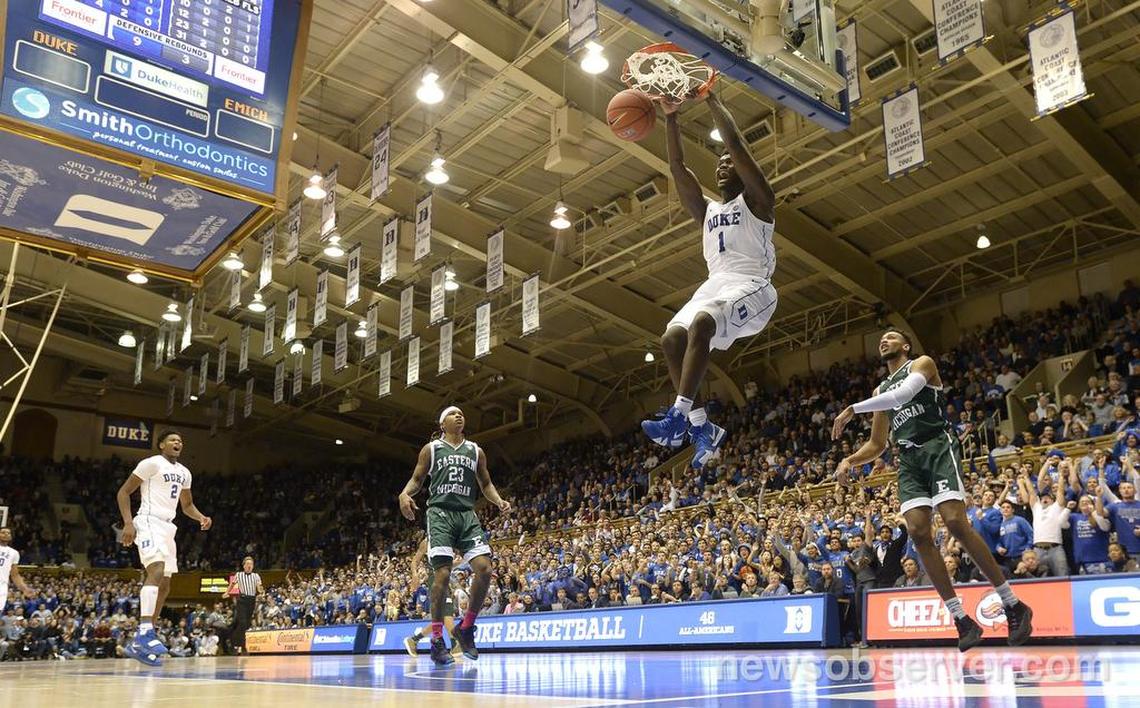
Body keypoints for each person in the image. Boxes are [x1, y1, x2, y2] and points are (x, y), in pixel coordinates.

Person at [832, 330, 1034, 652]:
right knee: (918, 532)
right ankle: (961, 620)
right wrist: (850, 459)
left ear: (906, 345)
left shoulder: (921, 365)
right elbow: (878, 444)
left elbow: (903, 395)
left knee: (955, 522)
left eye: (892, 337)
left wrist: (852, 409)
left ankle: (1013, 604)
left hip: (938, 447)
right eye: (881, 339)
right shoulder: (879, 390)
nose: (884, 341)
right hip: (909, 460)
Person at [642, 91, 778, 468]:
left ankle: (678, 413)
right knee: (671, 338)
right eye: (717, 164)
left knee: (702, 322)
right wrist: (670, 117)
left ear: (741, 168)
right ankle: (702, 427)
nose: (722, 166)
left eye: (728, 163)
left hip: (754, 285)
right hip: (716, 284)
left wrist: (711, 100)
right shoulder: (707, 212)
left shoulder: (759, 201)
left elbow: (734, 144)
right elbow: (677, 166)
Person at [398, 406, 510, 665]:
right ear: (442, 423)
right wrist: (404, 494)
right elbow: (417, 479)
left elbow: (486, 483)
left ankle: (467, 627)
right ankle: (437, 640)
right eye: (453, 414)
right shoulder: (432, 449)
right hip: (440, 514)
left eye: (461, 413)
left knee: (484, 569)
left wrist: (499, 500)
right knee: (443, 574)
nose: (459, 415)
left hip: (466, 514)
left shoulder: (475, 450)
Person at [116, 430, 212, 666]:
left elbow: (186, 505)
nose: (178, 442)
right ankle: (146, 629)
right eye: (172, 440)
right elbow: (124, 492)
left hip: (168, 527)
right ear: (161, 445)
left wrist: (201, 517)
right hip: (148, 521)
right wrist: (128, 523)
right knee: (156, 570)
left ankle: (142, 639)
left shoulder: (184, 473)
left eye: (180, 440)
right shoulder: (151, 463)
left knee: (166, 584)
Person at [403, 538, 462, 658]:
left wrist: (458, 562)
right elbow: (414, 561)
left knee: (440, 619)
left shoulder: (447, 538)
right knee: (446, 615)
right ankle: (456, 643)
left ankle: (414, 640)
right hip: (435, 579)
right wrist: (415, 574)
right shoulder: (427, 541)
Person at [229, 556, 263, 655]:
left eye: (251, 564)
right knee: (243, 623)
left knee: (246, 625)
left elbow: (259, 587)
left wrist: (261, 592)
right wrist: (229, 594)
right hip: (242, 600)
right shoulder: (238, 575)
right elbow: (231, 586)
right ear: (243, 566)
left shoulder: (256, 576)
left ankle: (233, 641)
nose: (249, 566)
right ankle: (242, 646)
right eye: (247, 564)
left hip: (251, 600)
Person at [0, 528, 34, 615]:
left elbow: (15, 575)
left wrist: (24, 588)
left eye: (8, 533)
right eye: (3, 532)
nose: (6, 534)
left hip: (2, 586)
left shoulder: (14, 553)